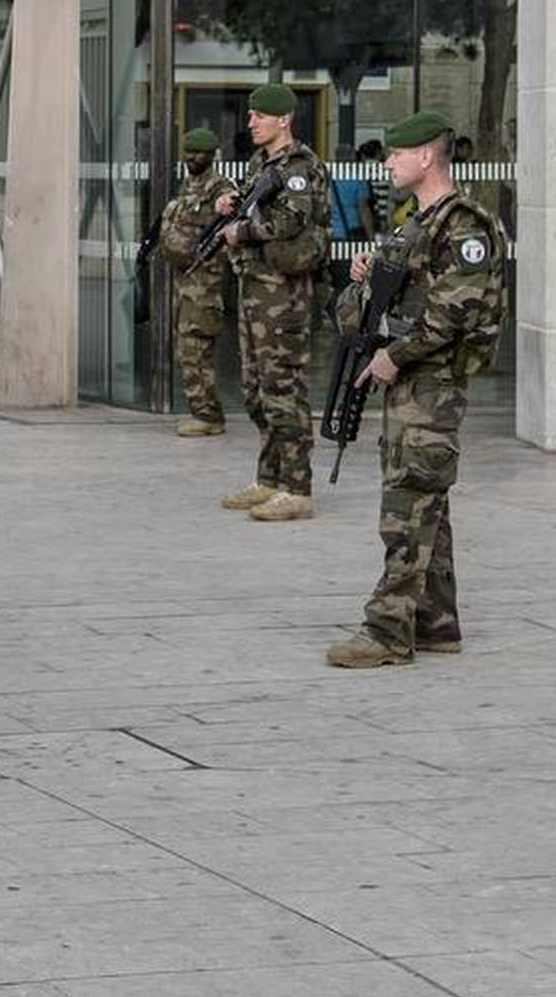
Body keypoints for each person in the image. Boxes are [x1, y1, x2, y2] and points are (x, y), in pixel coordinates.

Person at [323, 111, 511, 670]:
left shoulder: (464, 225)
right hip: (412, 382)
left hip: (432, 384)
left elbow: (452, 315)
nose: (388, 163)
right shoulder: (418, 222)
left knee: (406, 504)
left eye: (397, 155)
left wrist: (392, 356)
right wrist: (365, 275)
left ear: (426, 157)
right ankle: (436, 622)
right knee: (426, 499)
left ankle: (387, 630)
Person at [211, 85, 329, 522]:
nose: (251, 122)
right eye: (250, 115)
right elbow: (253, 207)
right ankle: (269, 478)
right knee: (255, 389)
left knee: (283, 387)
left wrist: (242, 231)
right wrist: (231, 205)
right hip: (255, 288)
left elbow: (291, 219)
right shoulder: (261, 163)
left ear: (284, 120)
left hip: (285, 294)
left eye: (260, 116)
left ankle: (297, 487)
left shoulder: (301, 166)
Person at [159, 127, 238, 438]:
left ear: (212, 155)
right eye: (189, 152)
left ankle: (208, 415)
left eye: (199, 153)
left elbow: (229, 214)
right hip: (184, 281)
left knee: (196, 348)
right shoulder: (189, 185)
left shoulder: (219, 187)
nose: (192, 157)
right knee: (187, 348)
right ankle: (201, 410)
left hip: (205, 284)